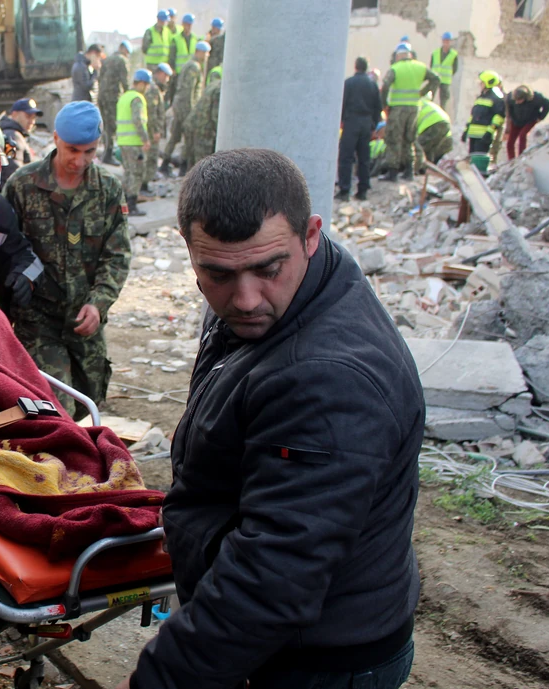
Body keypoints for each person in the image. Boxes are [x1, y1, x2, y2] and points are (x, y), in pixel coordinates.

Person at [119, 148, 423, 689]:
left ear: (311, 234)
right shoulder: (298, 292)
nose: (245, 299)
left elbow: (272, 579)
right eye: (217, 273)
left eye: (267, 269)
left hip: (316, 662)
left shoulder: (326, 378)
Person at [3, 101, 131, 419]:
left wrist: (98, 303)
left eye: (89, 151)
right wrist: (3, 319)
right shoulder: (22, 186)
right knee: (56, 409)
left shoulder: (108, 190)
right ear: (56, 138)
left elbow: (117, 256)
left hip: (83, 322)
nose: (80, 160)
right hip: (38, 322)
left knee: (90, 399)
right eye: (72, 149)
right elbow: (0, 255)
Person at [379, 44, 439, 182]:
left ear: (398, 55)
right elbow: (436, 79)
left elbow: (386, 85)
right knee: (409, 139)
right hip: (414, 108)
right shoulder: (420, 67)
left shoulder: (395, 68)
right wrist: (422, 93)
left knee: (394, 138)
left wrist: (384, 105)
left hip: (398, 108)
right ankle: (409, 171)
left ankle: (392, 172)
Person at [160, 40, 210, 176]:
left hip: (180, 106)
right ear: (199, 52)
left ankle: (165, 163)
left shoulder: (190, 65)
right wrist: (192, 112)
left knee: (175, 136)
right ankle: (183, 168)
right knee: (188, 139)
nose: (207, 56)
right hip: (185, 108)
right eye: (205, 53)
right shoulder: (194, 67)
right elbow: (189, 91)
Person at [337, 56, 383, 201]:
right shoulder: (372, 85)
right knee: (364, 158)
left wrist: (342, 121)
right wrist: (373, 126)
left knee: (346, 157)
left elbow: (341, 103)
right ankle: (362, 191)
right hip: (366, 124)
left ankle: (345, 190)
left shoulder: (349, 83)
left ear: (356, 67)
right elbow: (378, 107)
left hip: (351, 122)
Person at [117, 69, 152, 216]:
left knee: (128, 172)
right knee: (136, 174)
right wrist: (145, 139)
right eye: (147, 85)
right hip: (134, 142)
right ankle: (131, 206)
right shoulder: (137, 98)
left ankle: (123, 204)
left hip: (123, 141)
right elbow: (138, 120)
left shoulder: (124, 97)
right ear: (142, 83)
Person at [97, 40, 132, 165]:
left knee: (106, 125)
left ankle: (106, 152)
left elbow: (100, 78)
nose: (127, 54)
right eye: (127, 52)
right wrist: (130, 96)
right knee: (112, 126)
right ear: (123, 49)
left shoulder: (107, 59)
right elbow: (125, 81)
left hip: (102, 96)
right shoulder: (122, 60)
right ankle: (108, 155)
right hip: (112, 97)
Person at [462, 70, 506, 167]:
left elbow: (499, 117)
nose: (480, 84)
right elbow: (473, 115)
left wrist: (489, 132)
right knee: (471, 160)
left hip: (483, 135)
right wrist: (466, 130)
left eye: (481, 82)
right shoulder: (480, 97)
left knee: (479, 162)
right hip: (473, 134)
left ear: (488, 83)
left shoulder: (497, 99)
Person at [143, 63, 171, 190]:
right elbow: (152, 112)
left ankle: (145, 183)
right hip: (151, 130)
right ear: (160, 74)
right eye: (166, 76)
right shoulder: (153, 89)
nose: (167, 79)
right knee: (150, 158)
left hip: (151, 129)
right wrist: (155, 131)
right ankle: (144, 185)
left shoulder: (156, 88)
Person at [183, 76, 222, 168]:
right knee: (203, 166)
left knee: (193, 163)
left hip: (193, 124)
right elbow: (215, 117)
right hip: (204, 130)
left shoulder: (214, 84)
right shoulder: (220, 91)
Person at [507, 85, 549, 160]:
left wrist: (541, 117)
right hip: (516, 120)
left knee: (522, 135)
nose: (517, 102)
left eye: (519, 100)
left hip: (530, 120)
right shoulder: (511, 97)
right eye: (516, 101)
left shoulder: (536, 98)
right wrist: (511, 118)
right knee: (510, 141)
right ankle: (511, 160)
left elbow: (547, 104)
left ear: (525, 98)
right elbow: (508, 108)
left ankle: (521, 157)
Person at [0, 97, 41, 170]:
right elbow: (12, 168)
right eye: (28, 116)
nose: (32, 121)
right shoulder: (12, 136)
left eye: (34, 118)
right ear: (15, 114)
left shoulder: (14, 134)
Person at [414, 97, 453, 169]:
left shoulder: (411, 105)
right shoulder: (422, 102)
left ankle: (416, 169)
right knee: (430, 150)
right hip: (444, 123)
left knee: (417, 148)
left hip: (433, 124)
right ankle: (425, 169)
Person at [167, 13, 197, 105]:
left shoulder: (195, 39)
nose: (188, 26)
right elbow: (172, 56)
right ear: (183, 24)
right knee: (176, 96)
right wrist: (173, 70)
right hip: (179, 73)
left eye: (190, 24)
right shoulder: (176, 39)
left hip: (191, 73)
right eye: (186, 24)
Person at [430, 31, 458, 110]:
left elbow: (455, 68)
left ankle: (442, 112)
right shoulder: (435, 53)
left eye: (448, 41)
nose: (446, 43)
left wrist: (448, 74)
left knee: (444, 99)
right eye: (445, 41)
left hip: (445, 80)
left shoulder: (454, 54)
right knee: (430, 95)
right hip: (435, 78)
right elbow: (431, 65)